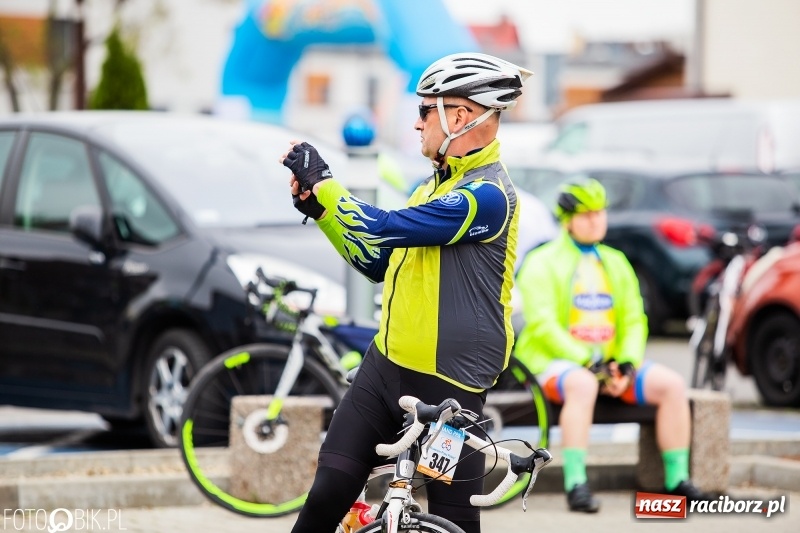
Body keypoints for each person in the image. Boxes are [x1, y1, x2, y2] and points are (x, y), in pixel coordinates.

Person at [280, 53, 533, 533]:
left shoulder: (489, 196)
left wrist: (325, 182)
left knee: (453, 522)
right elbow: (376, 261)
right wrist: (321, 212)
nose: (416, 124)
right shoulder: (432, 188)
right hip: (386, 369)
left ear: (459, 116)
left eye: (424, 110)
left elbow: (381, 225)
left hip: (449, 391)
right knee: (327, 495)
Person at [514, 177, 713, 513]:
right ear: (567, 219)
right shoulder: (541, 262)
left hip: (608, 365)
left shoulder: (616, 261)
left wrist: (626, 363)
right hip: (552, 364)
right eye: (587, 214)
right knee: (582, 383)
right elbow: (543, 324)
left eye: (600, 213)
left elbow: (635, 319)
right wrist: (589, 362)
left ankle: (676, 481)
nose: (597, 220)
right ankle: (576, 483)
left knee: (672, 386)